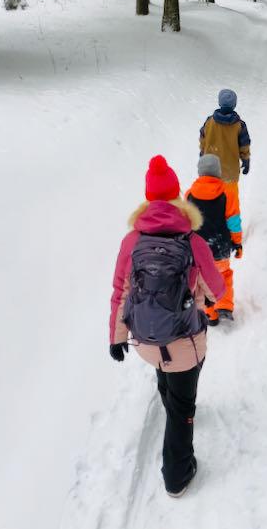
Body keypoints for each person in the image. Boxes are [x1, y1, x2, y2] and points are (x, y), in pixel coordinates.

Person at [109, 155, 226, 498]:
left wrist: (116, 339)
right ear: (177, 196)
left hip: (146, 341)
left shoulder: (132, 241)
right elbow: (216, 290)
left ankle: (170, 400)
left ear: (148, 198)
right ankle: (177, 475)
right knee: (182, 409)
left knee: (165, 369)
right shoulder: (192, 240)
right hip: (184, 342)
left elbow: (121, 291)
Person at [186, 154, 243, 325]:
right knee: (223, 275)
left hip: (198, 250)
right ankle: (224, 306)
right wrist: (238, 243)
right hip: (221, 246)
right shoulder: (228, 192)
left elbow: (186, 222)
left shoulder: (190, 194)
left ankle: (210, 313)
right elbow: (233, 222)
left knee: (203, 280)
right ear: (218, 172)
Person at [199, 88, 251, 215]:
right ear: (234, 105)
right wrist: (246, 160)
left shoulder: (209, 122)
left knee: (210, 202)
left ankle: (211, 229)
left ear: (219, 103)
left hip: (210, 171)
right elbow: (244, 145)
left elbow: (203, 141)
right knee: (231, 205)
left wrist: (202, 156)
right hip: (230, 173)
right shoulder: (239, 125)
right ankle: (234, 233)